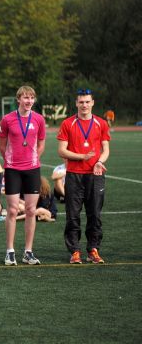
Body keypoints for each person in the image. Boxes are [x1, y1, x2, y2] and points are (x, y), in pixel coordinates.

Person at [58, 88, 110, 264]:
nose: (84, 105)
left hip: (95, 175)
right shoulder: (68, 123)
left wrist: (99, 162)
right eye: (81, 102)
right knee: (73, 215)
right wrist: (82, 157)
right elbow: (61, 151)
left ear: (92, 103)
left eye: (87, 102)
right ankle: (74, 251)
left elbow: (106, 149)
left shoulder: (101, 123)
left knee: (94, 214)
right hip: (74, 175)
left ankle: (93, 250)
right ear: (76, 103)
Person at [0, 86, 46, 266]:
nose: (29, 101)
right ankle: (10, 251)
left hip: (32, 169)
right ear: (18, 99)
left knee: (31, 210)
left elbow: (41, 143)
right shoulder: (7, 119)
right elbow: (2, 145)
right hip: (13, 169)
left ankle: (28, 252)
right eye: (26, 98)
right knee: (11, 210)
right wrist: (10, 161)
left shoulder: (39, 119)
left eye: (32, 98)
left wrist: (34, 159)